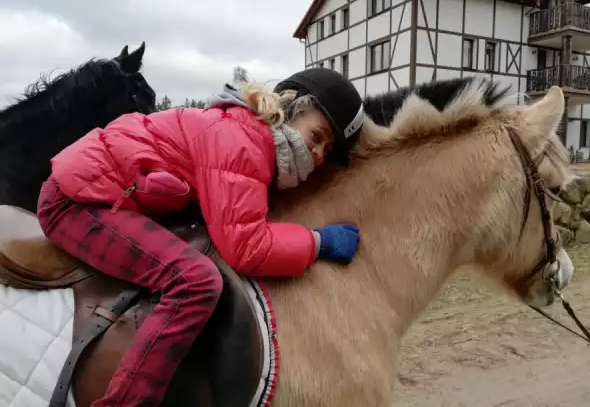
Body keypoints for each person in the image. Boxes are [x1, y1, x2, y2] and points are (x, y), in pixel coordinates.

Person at [37, 67, 365, 406]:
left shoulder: (246, 131)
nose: (318, 154)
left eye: (326, 151)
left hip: (102, 191)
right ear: (291, 108)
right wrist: (317, 242)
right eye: (317, 136)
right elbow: (246, 248)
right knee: (195, 281)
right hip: (76, 201)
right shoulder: (244, 144)